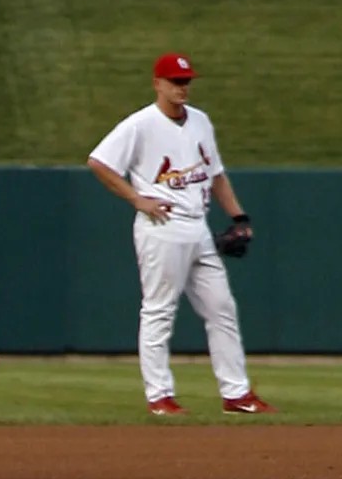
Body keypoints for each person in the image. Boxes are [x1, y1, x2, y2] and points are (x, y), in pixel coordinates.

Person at [86, 54, 270, 416]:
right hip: (162, 227)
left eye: (185, 81)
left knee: (222, 309)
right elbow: (98, 162)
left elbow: (215, 174)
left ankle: (236, 394)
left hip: (198, 225)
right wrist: (137, 198)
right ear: (157, 84)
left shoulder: (200, 121)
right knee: (159, 310)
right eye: (174, 81)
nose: (181, 87)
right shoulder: (140, 124)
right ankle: (159, 396)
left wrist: (238, 215)